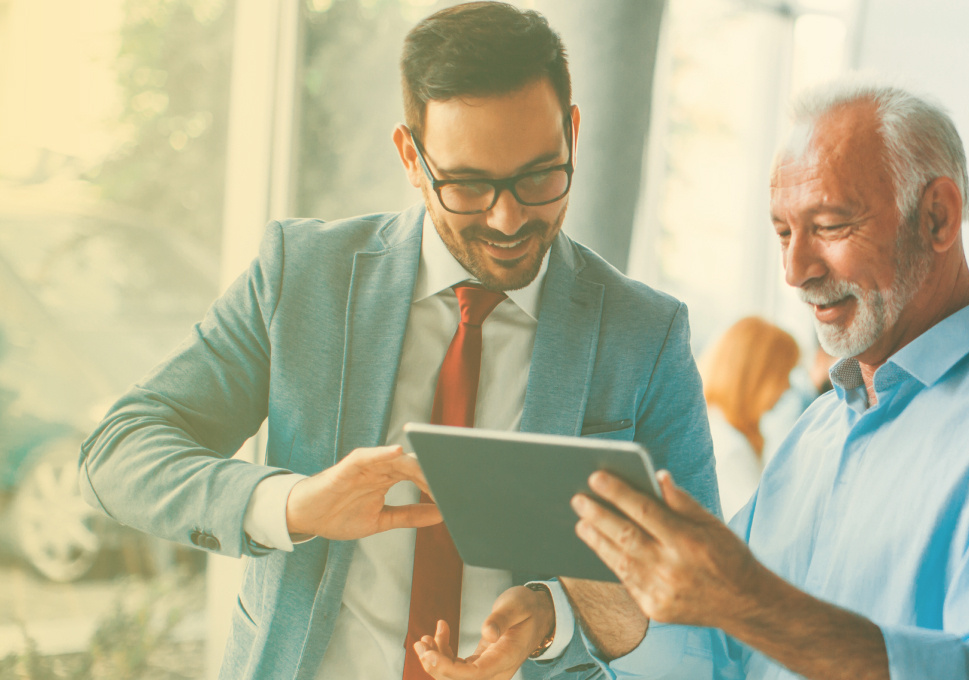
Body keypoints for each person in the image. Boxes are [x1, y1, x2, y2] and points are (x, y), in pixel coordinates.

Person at [77, 3, 718, 680]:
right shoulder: (302, 276)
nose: (509, 219)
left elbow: (705, 606)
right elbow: (119, 450)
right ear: (411, 157)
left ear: (573, 134)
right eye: (469, 186)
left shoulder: (645, 336)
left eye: (538, 176)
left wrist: (553, 613)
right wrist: (293, 503)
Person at [569, 83, 969, 679]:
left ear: (937, 216)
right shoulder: (814, 431)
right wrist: (581, 603)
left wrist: (748, 601)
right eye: (784, 233)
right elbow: (720, 660)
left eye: (830, 226)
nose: (796, 270)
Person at [699, 317, 800, 520]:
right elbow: (761, 534)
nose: (787, 388)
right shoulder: (730, 449)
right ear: (757, 376)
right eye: (784, 375)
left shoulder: (710, 427)